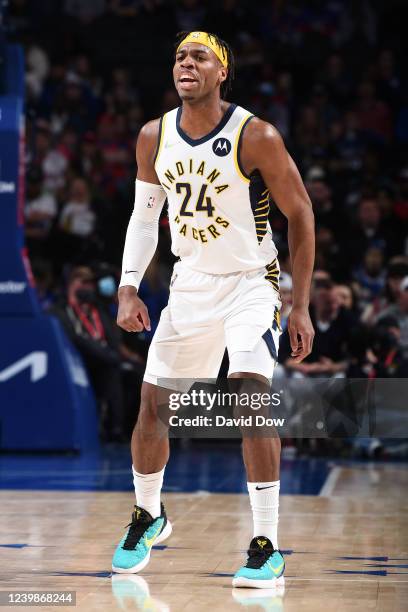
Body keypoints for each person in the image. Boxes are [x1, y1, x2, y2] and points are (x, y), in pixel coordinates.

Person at [112, 31, 315, 588]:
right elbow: (142, 217)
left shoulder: (257, 135)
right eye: (179, 55)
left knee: (251, 395)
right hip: (191, 284)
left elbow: (300, 213)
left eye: (199, 56)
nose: (186, 63)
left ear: (222, 71)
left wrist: (299, 304)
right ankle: (148, 514)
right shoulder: (153, 136)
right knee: (153, 406)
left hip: (253, 280)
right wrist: (129, 286)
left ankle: (266, 545)